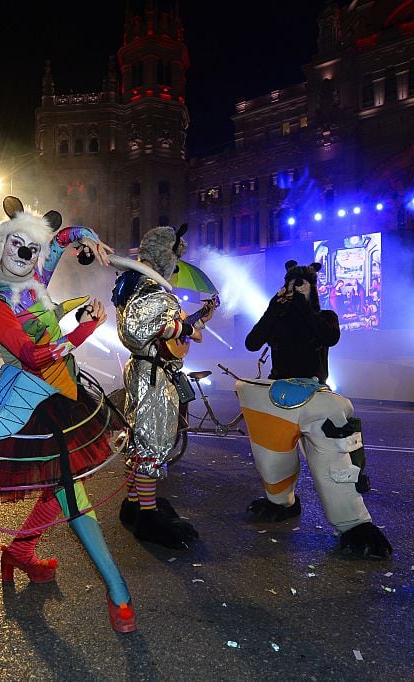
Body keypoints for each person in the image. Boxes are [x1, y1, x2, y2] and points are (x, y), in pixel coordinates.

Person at [0, 201, 136, 632]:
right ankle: (119, 593)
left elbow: (65, 236)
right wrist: (84, 329)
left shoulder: (37, 277)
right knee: (70, 494)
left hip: (68, 393)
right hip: (30, 405)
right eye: (16, 245)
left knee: (56, 482)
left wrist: (91, 240)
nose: (25, 254)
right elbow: (33, 355)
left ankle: (19, 553)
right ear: (1, 250)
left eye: (32, 249)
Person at [235, 260, 391, 558]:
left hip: (316, 395)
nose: (295, 289)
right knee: (271, 461)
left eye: (301, 283)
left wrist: (306, 302)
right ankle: (280, 502)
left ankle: (355, 524)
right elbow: (252, 342)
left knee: (335, 465)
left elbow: (328, 336)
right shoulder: (278, 316)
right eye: (292, 283)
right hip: (277, 395)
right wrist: (273, 307)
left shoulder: (325, 317)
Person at [112, 225, 212, 549]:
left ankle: (135, 505)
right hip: (153, 375)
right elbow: (134, 329)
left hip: (146, 370)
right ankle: (148, 516)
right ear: (167, 256)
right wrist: (180, 326)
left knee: (141, 442)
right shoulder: (152, 288)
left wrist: (185, 326)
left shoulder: (132, 283)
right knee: (153, 443)